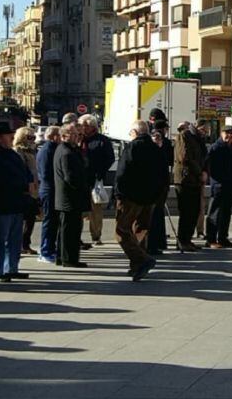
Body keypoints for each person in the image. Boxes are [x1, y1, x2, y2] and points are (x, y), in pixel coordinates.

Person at [114, 120, 164, 281]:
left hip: (131, 197)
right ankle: (137, 266)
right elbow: (163, 175)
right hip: (149, 198)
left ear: (135, 132)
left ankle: (142, 259)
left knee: (121, 230)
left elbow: (122, 172)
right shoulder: (156, 149)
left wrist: (119, 193)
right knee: (141, 229)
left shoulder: (132, 147)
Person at [0, 121, 33, 282]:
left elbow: (26, 173)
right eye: (8, 135)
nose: (11, 137)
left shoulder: (12, 154)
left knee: (15, 239)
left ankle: (11, 267)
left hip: (17, 202)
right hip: (2, 203)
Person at [54, 123, 89, 268]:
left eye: (77, 134)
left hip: (68, 198)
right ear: (64, 136)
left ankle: (63, 257)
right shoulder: (66, 153)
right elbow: (71, 177)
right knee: (70, 230)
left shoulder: (69, 150)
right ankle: (69, 258)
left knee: (67, 229)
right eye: (73, 135)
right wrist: (82, 188)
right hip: (70, 198)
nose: (77, 137)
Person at [204, 127, 232, 248]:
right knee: (215, 212)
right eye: (227, 133)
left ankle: (223, 237)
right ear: (222, 133)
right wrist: (218, 181)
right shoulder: (216, 148)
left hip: (231, 186)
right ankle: (211, 239)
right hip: (219, 185)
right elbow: (211, 167)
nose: (229, 136)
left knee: (226, 213)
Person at [79, 114, 115, 246]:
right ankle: (78, 237)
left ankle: (96, 235)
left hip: (95, 179)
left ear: (92, 127)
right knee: (80, 210)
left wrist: (101, 171)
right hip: (80, 180)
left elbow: (110, 158)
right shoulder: (78, 139)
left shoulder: (102, 140)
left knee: (96, 210)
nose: (83, 128)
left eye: (85, 126)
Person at [173, 121, 207, 251]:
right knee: (186, 211)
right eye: (203, 129)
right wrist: (199, 172)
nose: (205, 131)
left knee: (194, 211)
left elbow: (202, 158)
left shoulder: (199, 140)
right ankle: (182, 240)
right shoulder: (185, 136)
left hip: (195, 180)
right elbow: (185, 157)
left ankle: (187, 239)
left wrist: (204, 172)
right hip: (185, 179)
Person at [147, 121, 173, 255]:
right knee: (152, 216)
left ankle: (159, 242)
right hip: (152, 188)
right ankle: (151, 244)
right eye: (155, 138)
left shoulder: (163, 151)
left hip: (161, 187)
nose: (157, 140)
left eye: (159, 138)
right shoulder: (150, 152)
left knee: (158, 216)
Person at [13, 127, 40, 256]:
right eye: (29, 137)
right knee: (22, 219)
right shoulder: (18, 151)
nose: (32, 140)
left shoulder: (33, 151)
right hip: (25, 189)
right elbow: (22, 170)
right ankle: (19, 244)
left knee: (31, 218)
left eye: (33, 137)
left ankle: (26, 244)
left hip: (34, 187)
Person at [36, 126, 61, 264]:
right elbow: (46, 173)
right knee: (49, 221)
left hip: (52, 189)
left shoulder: (52, 149)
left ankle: (51, 248)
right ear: (53, 136)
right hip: (49, 189)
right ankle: (45, 250)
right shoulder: (47, 151)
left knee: (53, 222)